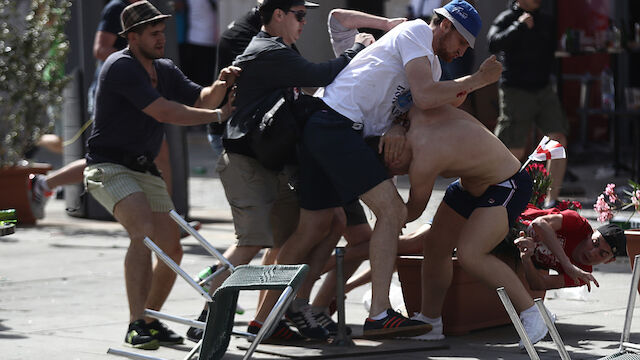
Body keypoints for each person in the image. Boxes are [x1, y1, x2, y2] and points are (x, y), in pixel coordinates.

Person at [253, 0, 499, 340]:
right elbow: (427, 97)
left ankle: (267, 318)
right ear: (445, 25)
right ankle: (378, 314)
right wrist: (480, 79)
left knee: (318, 225)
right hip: (336, 125)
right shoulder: (414, 31)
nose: (462, 52)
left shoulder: (434, 67)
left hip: (331, 127)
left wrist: (398, 125)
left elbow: (430, 101)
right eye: (462, 42)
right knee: (391, 210)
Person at [191, 0, 373, 342]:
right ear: (278, 15)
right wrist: (356, 50)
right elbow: (321, 74)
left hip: (271, 161)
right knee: (252, 243)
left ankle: (280, 312)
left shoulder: (279, 48)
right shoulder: (267, 50)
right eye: (299, 15)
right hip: (247, 162)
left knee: (312, 230)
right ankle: (207, 318)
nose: (305, 23)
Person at [83, 1, 238, 350]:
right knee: (143, 231)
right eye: (153, 33)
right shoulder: (120, 66)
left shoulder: (164, 68)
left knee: (171, 249)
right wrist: (217, 116)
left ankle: (151, 319)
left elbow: (200, 98)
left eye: (163, 31)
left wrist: (222, 83)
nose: (161, 38)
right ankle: (136, 323)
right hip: (108, 166)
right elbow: (165, 111)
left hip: (143, 167)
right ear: (132, 37)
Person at [27, 0, 177, 225]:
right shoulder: (116, 8)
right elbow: (100, 50)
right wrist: (138, 58)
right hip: (114, 96)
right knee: (111, 158)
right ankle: (44, 184)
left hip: (137, 95)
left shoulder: (145, 10)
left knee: (156, 152)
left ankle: (168, 217)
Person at [488, 0, 567, 208]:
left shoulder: (547, 19)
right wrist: (519, 26)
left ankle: (551, 201)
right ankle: (497, 196)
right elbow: (493, 43)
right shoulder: (508, 18)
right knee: (514, 147)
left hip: (543, 87)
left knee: (558, 138)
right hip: (516, 88)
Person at [514, 207, 626, 290]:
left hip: (514, 253)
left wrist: (526, 259)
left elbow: (538, 285)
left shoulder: (583, 274)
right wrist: (567, 264)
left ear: (609, 261)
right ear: (591, 233)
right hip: (513, 219)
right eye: (595, 243)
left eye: (602, 254)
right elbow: (538, 223)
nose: (592, 253)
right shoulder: (578, 224)